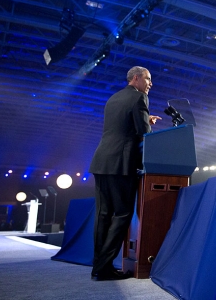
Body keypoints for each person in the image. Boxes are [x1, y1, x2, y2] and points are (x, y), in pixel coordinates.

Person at [89, 66, 162, 281]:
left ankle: (98, 266)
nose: (150, 84)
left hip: (101, 161)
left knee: (103, 216)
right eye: (148, 79)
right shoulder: (139, 98)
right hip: (122, 165)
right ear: (136, 78)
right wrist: (148, 125)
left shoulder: (114, 98)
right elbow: (143, 134)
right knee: (121, 215)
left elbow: (121, 127)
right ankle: (103, 267)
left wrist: (143, 121)